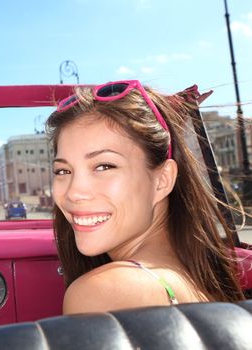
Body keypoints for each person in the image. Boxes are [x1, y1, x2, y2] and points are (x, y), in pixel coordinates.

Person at [45, 80, 245, 314]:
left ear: (162, 180)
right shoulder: (197, 275)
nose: (73, 192)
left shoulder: (102, 292)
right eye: (63, 171)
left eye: (104, 166)